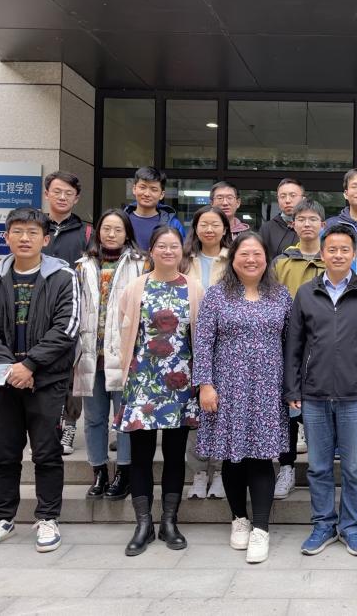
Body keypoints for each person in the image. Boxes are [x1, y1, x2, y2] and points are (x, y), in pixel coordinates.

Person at [0, 207, 79, 553]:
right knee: (5, 453)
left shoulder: (63, 277)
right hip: (4, 382)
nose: (25, 238)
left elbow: (67, 328)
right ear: (6, 237)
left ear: (46, 240)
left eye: (33, 233)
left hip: (46, 381)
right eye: (17, 231)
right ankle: (1, 518)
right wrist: (11, 369)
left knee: (47, 453)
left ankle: (48, 518)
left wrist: (30, 365)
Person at [283, 223, 357, 557]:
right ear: (322, 253)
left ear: (354, 254)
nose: (338, 255)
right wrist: (292, 389)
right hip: (314, 395)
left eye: (345, 249)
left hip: (356, 395)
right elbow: (294, 346)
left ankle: (352, 527)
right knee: (318, 467)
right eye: (332, 249)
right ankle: (323, 525)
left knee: (355, 468)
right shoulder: (306, 293)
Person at [193, 232, 293, 563]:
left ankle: (261, 528)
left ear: (267, 259)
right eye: (244, 254)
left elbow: (292, 343)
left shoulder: (280, 295)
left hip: (268, 389)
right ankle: (239, 519)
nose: (251, 260)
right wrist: (205, 384)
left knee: (262, 458)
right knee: (232, 457)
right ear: (233, 259)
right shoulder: (217, 295)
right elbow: (203, 342)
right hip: (227, 389)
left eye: (257, 254)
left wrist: (292, 386)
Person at [117, 227, 203, 556]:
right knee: (140, 455)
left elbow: (202, 338)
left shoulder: (194, 288)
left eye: (174, 246)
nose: (168, 251)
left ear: (182, 251)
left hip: (180, 381)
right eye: (162, 246)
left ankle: (169, 521)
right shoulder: (135, 287)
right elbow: (122, 333)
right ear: (151, 251)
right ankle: (143, 524)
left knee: (174, 454)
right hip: (142, 381)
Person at [73, 209, 147, 502]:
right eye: (106, 228)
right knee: (93, 418)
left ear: (127, 233)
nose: (111, 234)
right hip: (91, 351)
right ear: (98, 232)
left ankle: (124, 472)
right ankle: (99, 470)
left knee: (124, 417)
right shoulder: (83, 265)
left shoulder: (141, 264)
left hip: (125, 353)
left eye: (118, 229)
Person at [272, 199, 327, 500]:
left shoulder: (331, 258)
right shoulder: (281, 263)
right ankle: (287, 467)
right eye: (301, 219)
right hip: (286, 345)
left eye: (313, 219)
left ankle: (321, 468)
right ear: (293, 224)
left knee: (319, 410)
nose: (307, 224)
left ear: (323, 225)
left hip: (323, 346)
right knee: (288, 408)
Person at [181, 206, 233, 500]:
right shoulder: (183, 259)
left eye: (215, 224)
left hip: (226, 344)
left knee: (222, 409)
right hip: (187, 343)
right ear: (196, 228)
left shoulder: (234, 259)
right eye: (204, 224)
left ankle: (221, 470)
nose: (209, 229)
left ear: (225, 228)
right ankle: (199, 472)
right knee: (195, 411)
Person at [42, 170, 91, 455]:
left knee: (73, 372)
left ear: (76, 198)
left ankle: (68, 426)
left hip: (75, 311)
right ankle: (46, 428)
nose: (62, 197)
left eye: (68, 193)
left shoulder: (86, 232)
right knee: (42, 368)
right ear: (46, 193)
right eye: (57, 191)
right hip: (39, 311)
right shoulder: (36, 227)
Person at [123, 166, 186, 250]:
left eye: (154, 189)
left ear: (162, 195)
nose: (147, 194)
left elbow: (181, 253)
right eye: (142, 187)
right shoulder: (122, 221)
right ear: (134, 189)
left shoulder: (173, 224)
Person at [260, 177, 304, 259]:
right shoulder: (267, 229)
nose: (287, 200)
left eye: (293, 195)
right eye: (283, 196)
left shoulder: (311, 226)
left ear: (303, 199)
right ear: (278, 199)